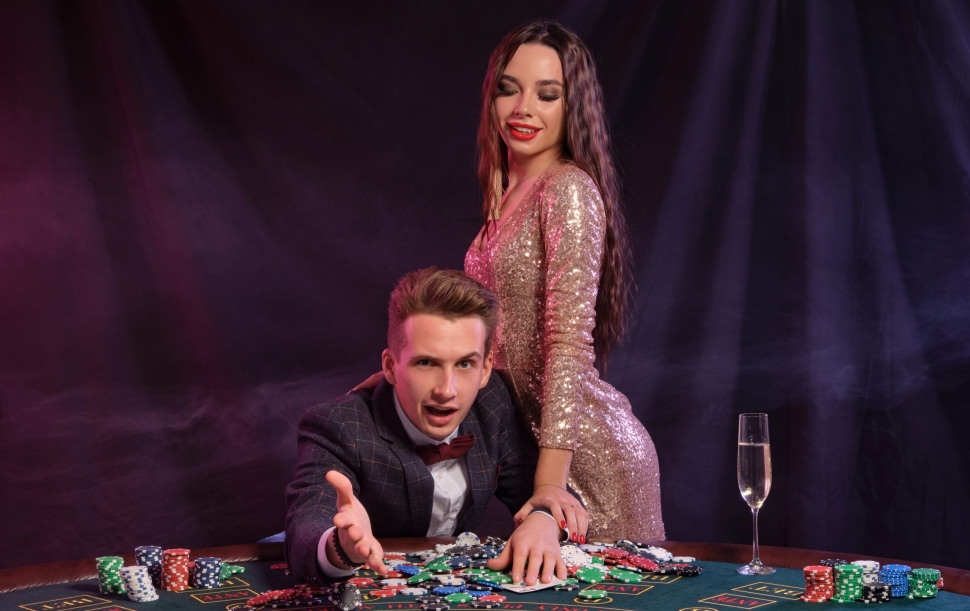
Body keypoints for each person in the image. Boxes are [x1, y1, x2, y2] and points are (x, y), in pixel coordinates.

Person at [463, 20, 665, 541]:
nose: (522, 108)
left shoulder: (567, 190)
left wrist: (550, 486)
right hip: (531, 449)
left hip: (588, 461)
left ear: (571, 107)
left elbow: (567, 344)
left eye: (547, 95)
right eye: (509, 89)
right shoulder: (504, 199)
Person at [285, 268, 574, 585]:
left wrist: (543, 518)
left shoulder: (493, 404)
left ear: (485, 369)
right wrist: (341, 546)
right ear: (391, 367)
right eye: (426, 363)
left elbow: (545, 494)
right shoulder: (338, 425)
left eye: (464, 364)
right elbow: (306, 525)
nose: (447, 390)